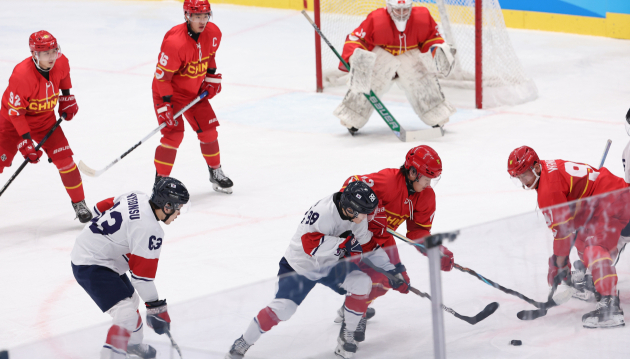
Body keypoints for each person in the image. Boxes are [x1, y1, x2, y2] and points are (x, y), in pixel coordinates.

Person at [225, 181, 409, 359]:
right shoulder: (324, 213)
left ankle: (347, 336)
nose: (366, 218)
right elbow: (309, 245)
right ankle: (243, 342)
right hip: (300, 267)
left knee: (362, 282)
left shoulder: (357, 217)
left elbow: (368, 245)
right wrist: (343, 244)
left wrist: (391, 270)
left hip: (331, 265)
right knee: (283, 309)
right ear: (350, 208)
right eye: (363, 213)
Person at [334, 145, 454, 341]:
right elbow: (351, 184)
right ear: (413, 172)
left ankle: (354, 305)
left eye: (432, 178)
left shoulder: (426, 196)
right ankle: (354, 316)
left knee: (397, 280)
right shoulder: (388, 181)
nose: (428, 183)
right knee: (371, 277)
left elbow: (417, 231)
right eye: (426, 177)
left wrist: (435, 250)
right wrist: (366, 212)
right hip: (355, 237)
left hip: (382, 240)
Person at [508, 145, 630, 328]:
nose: (523, 181)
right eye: (518, 177)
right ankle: (593, 281)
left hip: (614, 202)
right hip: (608, 200)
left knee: (594, 250)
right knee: (581, 238)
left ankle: (610, 304)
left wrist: (559, 267)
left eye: (524, 174)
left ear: (536, 167)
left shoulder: (548, 191)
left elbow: (563, 235)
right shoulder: (548, 169)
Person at [71, 177, 190, 359]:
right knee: (125, 313)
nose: (179, 213)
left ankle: (132, 345)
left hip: (100, 255)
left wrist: (95, 235)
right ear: (167, 207)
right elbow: (141, 278)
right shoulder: (150, 230)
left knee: (131, 302)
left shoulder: (137, 196)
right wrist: (156, 308)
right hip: (91, 262)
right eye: (178, 208)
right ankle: (111, 355)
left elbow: (101, 206)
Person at [0, 31, 91, 221]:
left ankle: (79, 204)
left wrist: (66, 96)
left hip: (44, 120)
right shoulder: (21, 75)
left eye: (54, 51)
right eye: (46, 53)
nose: (52, 57)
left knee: (65, 159)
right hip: (12, 123)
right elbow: (16, 113)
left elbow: (64, 77)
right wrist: (25, 142)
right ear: (34, 54)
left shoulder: (61, 61)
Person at [333, 0, 456, 136]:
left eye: (405, 9)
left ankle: (436, 116)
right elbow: (357, 39)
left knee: (422, 79)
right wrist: (354, 56)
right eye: (398, 10)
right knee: (367, 77)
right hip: (382, 57)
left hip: (410, 57)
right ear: (389, 8)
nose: (402, 13)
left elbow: (432, 37)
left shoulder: (422, 17)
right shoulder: (376, 19)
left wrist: (437, 49)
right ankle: (352, 118)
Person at [152, 0, 233, 194]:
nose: (203, 21)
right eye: (197, 16)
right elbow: (163, 78)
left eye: (206, 15)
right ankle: (160, 182)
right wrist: (165, 106)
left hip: (195, 92)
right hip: (170, 93)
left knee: (209, 131)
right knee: (173, 135)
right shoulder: (175, 42)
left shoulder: (214, 33)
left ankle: (215, 171)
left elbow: (210, 57)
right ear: (187, 15)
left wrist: (211, 78)